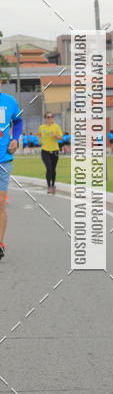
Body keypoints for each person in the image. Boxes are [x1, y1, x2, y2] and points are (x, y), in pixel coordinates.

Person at [0, 80, 23, 261]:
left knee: (0, 205)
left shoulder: (9, 101)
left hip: (3, 161)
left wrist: (15, 138)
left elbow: (18, 120)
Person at [37, 112, 63, 194]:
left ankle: (53, 184)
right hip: (45, 150)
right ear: (45, 118)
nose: (50, 118)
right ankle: (49, 186)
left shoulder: (56, 127)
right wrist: (40, 141)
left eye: (51, 117)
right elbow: (40, 135)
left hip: (55, 150)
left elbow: (61, 138)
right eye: (48, 117)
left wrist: (55, 136)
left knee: (53, 169)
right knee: (49, 168)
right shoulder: (41, 127)